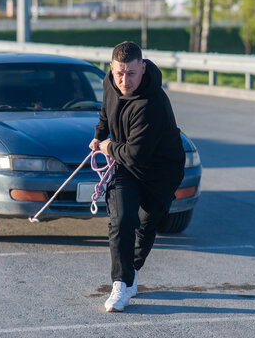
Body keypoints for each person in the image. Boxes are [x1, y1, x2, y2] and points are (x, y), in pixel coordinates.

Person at [89, 41, 185, 312]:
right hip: (126, 168)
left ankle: (130, 271)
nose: (124, 80)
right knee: (122, 220)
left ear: (142, 69)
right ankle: (121, 283)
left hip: (160, 173)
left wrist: (108, 146)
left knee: (145, 228)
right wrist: (98, 135)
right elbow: (106, 112)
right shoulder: (111, 83)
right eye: (119, 73)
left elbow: (135, 155)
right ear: (111, 68)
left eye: (131, 73)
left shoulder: (151, 103)